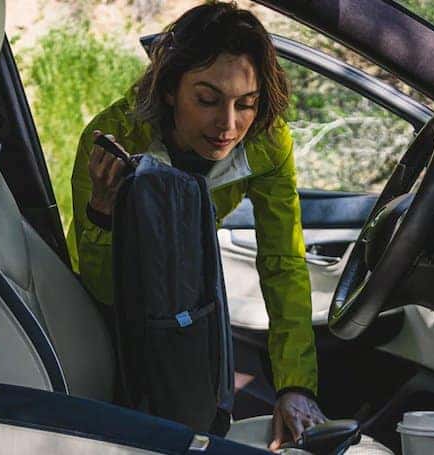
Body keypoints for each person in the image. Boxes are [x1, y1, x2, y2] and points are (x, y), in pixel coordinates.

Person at [66, 2, 321, 449]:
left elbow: (283, 262)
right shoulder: (115, 139)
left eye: (246, 103)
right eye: (206, 100)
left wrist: (294, 385)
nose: (228, 125)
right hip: (111, 307)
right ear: (168, 90)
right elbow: (101, 290)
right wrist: (104, 216)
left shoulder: (265, 141)